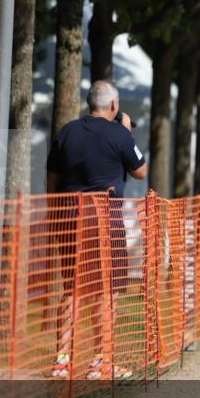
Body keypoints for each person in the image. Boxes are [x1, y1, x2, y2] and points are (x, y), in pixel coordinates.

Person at [45, 79, 147, 380]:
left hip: (70, 217)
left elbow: (51, 180)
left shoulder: (67, 131)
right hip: (106, 220)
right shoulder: (120, 133)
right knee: (108, 290)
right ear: (114, 106)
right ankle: (101, 361)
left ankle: (61, 360)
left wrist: (56, 214)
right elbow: (140, 171)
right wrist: (127, 133)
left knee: (73, 288)